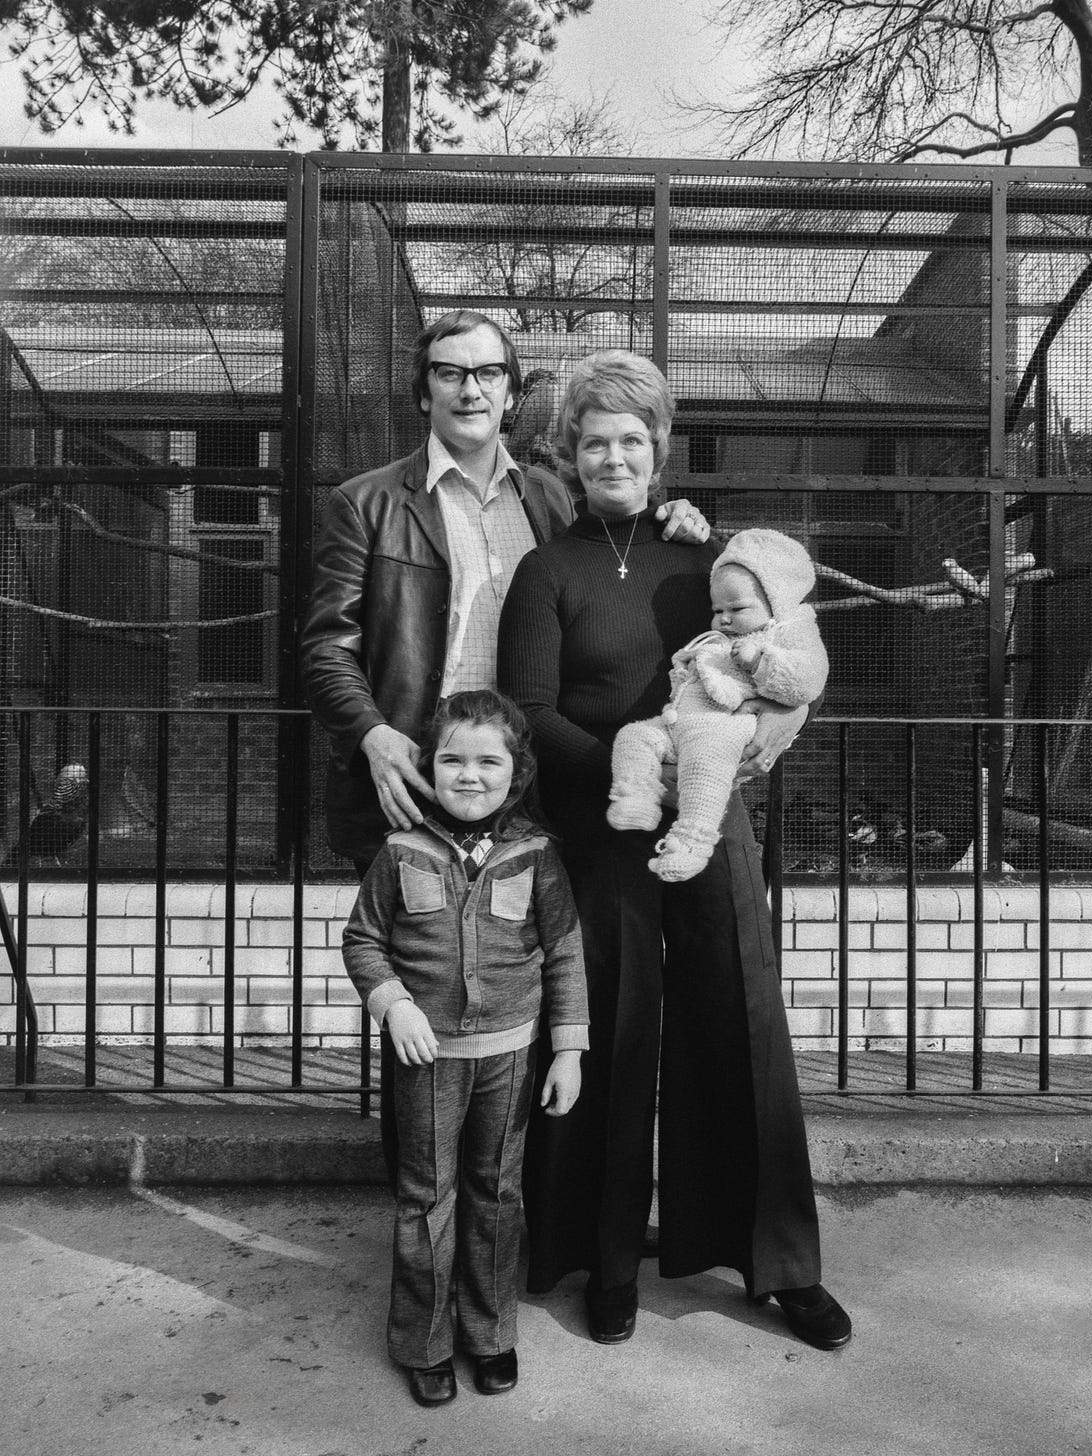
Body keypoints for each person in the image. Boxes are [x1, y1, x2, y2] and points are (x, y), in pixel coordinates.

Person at [498, 349, 852, 1353]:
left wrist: (757, 749)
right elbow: (528, 711)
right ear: (569, 454)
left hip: (712, 820)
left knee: (739, 1022)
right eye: (595, 439)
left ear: (659, 453)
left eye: (633, 440)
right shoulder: (546, 570)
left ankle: (778, 1263)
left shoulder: (708, 562)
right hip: (604, 825)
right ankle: (602, 1259)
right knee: (608, 1035)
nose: (614, 454)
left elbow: (781, 666)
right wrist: (627, 766)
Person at [301, 309, 708, 1175]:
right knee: (431, 1005)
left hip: (537, 789)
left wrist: (680, 520)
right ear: (423, 391)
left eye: (488, 373)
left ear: (513, 393)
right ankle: (428, 1223)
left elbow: (619, 538)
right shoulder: (367, 503)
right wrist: (374, 738)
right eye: (450, 371)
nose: (470, 387)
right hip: (425, 782)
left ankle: (515, 1213)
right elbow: (325, 648)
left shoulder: (551, 497)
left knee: (535, 994)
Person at [341, 689, 588, 1408]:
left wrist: (568, 1048)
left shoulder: (537, 855)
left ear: (517, 772)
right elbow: (363, 941)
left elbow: (565, 950)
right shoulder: (400, 850)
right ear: (429, 765)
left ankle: (490, 1333)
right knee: (426, 1196)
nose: (469, 775)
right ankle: (423, 1342)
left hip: (511, 1055)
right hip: (427, 1059)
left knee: (497, 1193)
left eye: (489, 761)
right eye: (452, 759)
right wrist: (394, 1007)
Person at [607, 528, 829, 882]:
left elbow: (808, 680)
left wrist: (760, 662)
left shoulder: (783, 635)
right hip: (680, 723)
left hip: (727, 725)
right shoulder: (723, 639)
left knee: (705, 767)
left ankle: (692, 841)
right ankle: (636, 796)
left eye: (737, 608)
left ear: (776, 601)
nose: (724, 618)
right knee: (633, 736)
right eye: (717, 610)